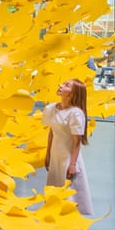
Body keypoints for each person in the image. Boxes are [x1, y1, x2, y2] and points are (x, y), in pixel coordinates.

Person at [43, 78, 93, 215]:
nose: (60, 85)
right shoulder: (52, 109)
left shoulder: (75, 113)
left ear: (73, 93)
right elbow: (51, 133)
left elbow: (77, 141)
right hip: (55, 155)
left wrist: (72, 164)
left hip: (68, 156)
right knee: (55, 189)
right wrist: (48, 155)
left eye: (66, 85)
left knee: (69, 193)